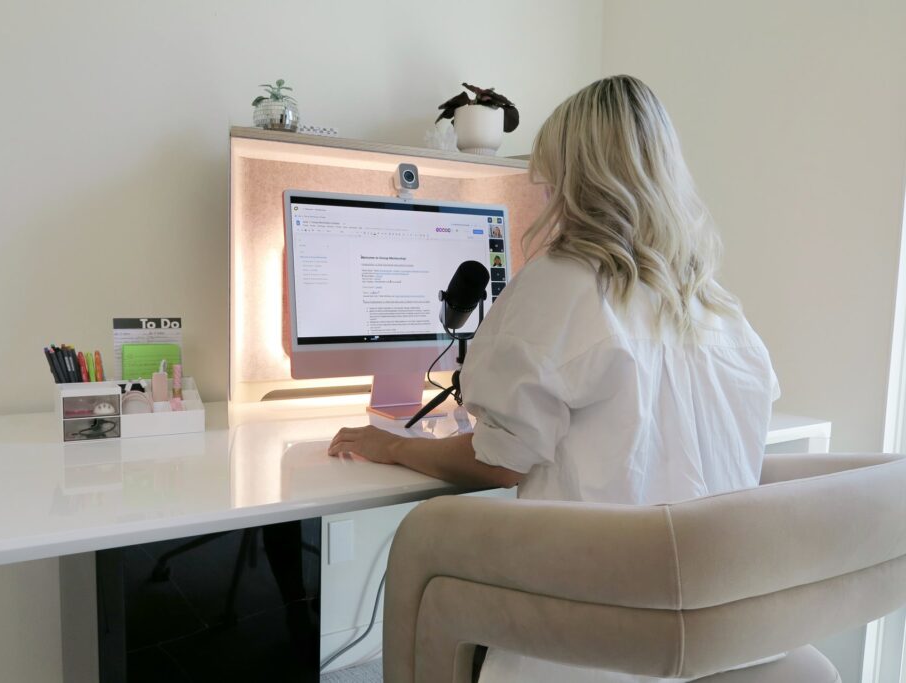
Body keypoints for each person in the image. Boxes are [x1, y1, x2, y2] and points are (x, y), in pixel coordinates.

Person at [329, 75, 779, 682]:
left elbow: (500, 462)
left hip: (594, 637)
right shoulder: (720, 310)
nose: (541, 198)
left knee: (422, 544)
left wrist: (395, 446)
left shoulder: (563, 283)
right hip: (717, 639)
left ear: (576, 182)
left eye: (545, 181)